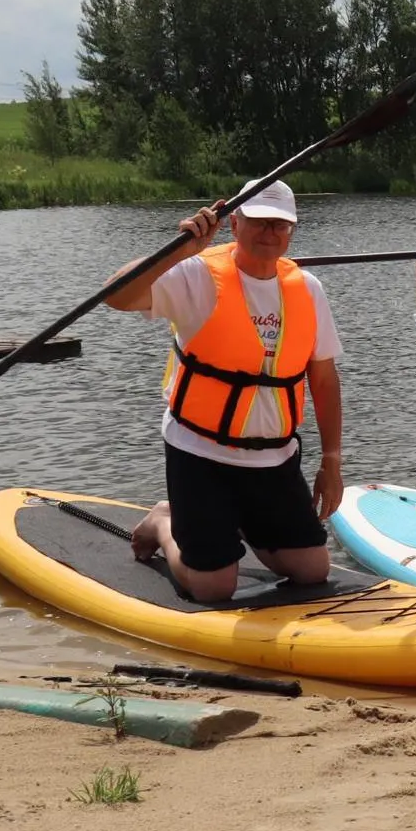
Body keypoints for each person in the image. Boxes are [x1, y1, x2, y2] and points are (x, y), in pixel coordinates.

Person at [103, 180, 341, 602]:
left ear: (292, 232)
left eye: (280, 225)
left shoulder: (307, 288)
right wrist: (178, 249)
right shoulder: (196, 275)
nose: (270, 232)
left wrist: (332, 461)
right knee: (214, 588)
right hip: (201, 453)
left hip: (274, 457)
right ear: (235, 222)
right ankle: (164, 522)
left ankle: (239, 521)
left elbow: (323, 379)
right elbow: (116, 297)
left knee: (312, 569)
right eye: (259, 221)